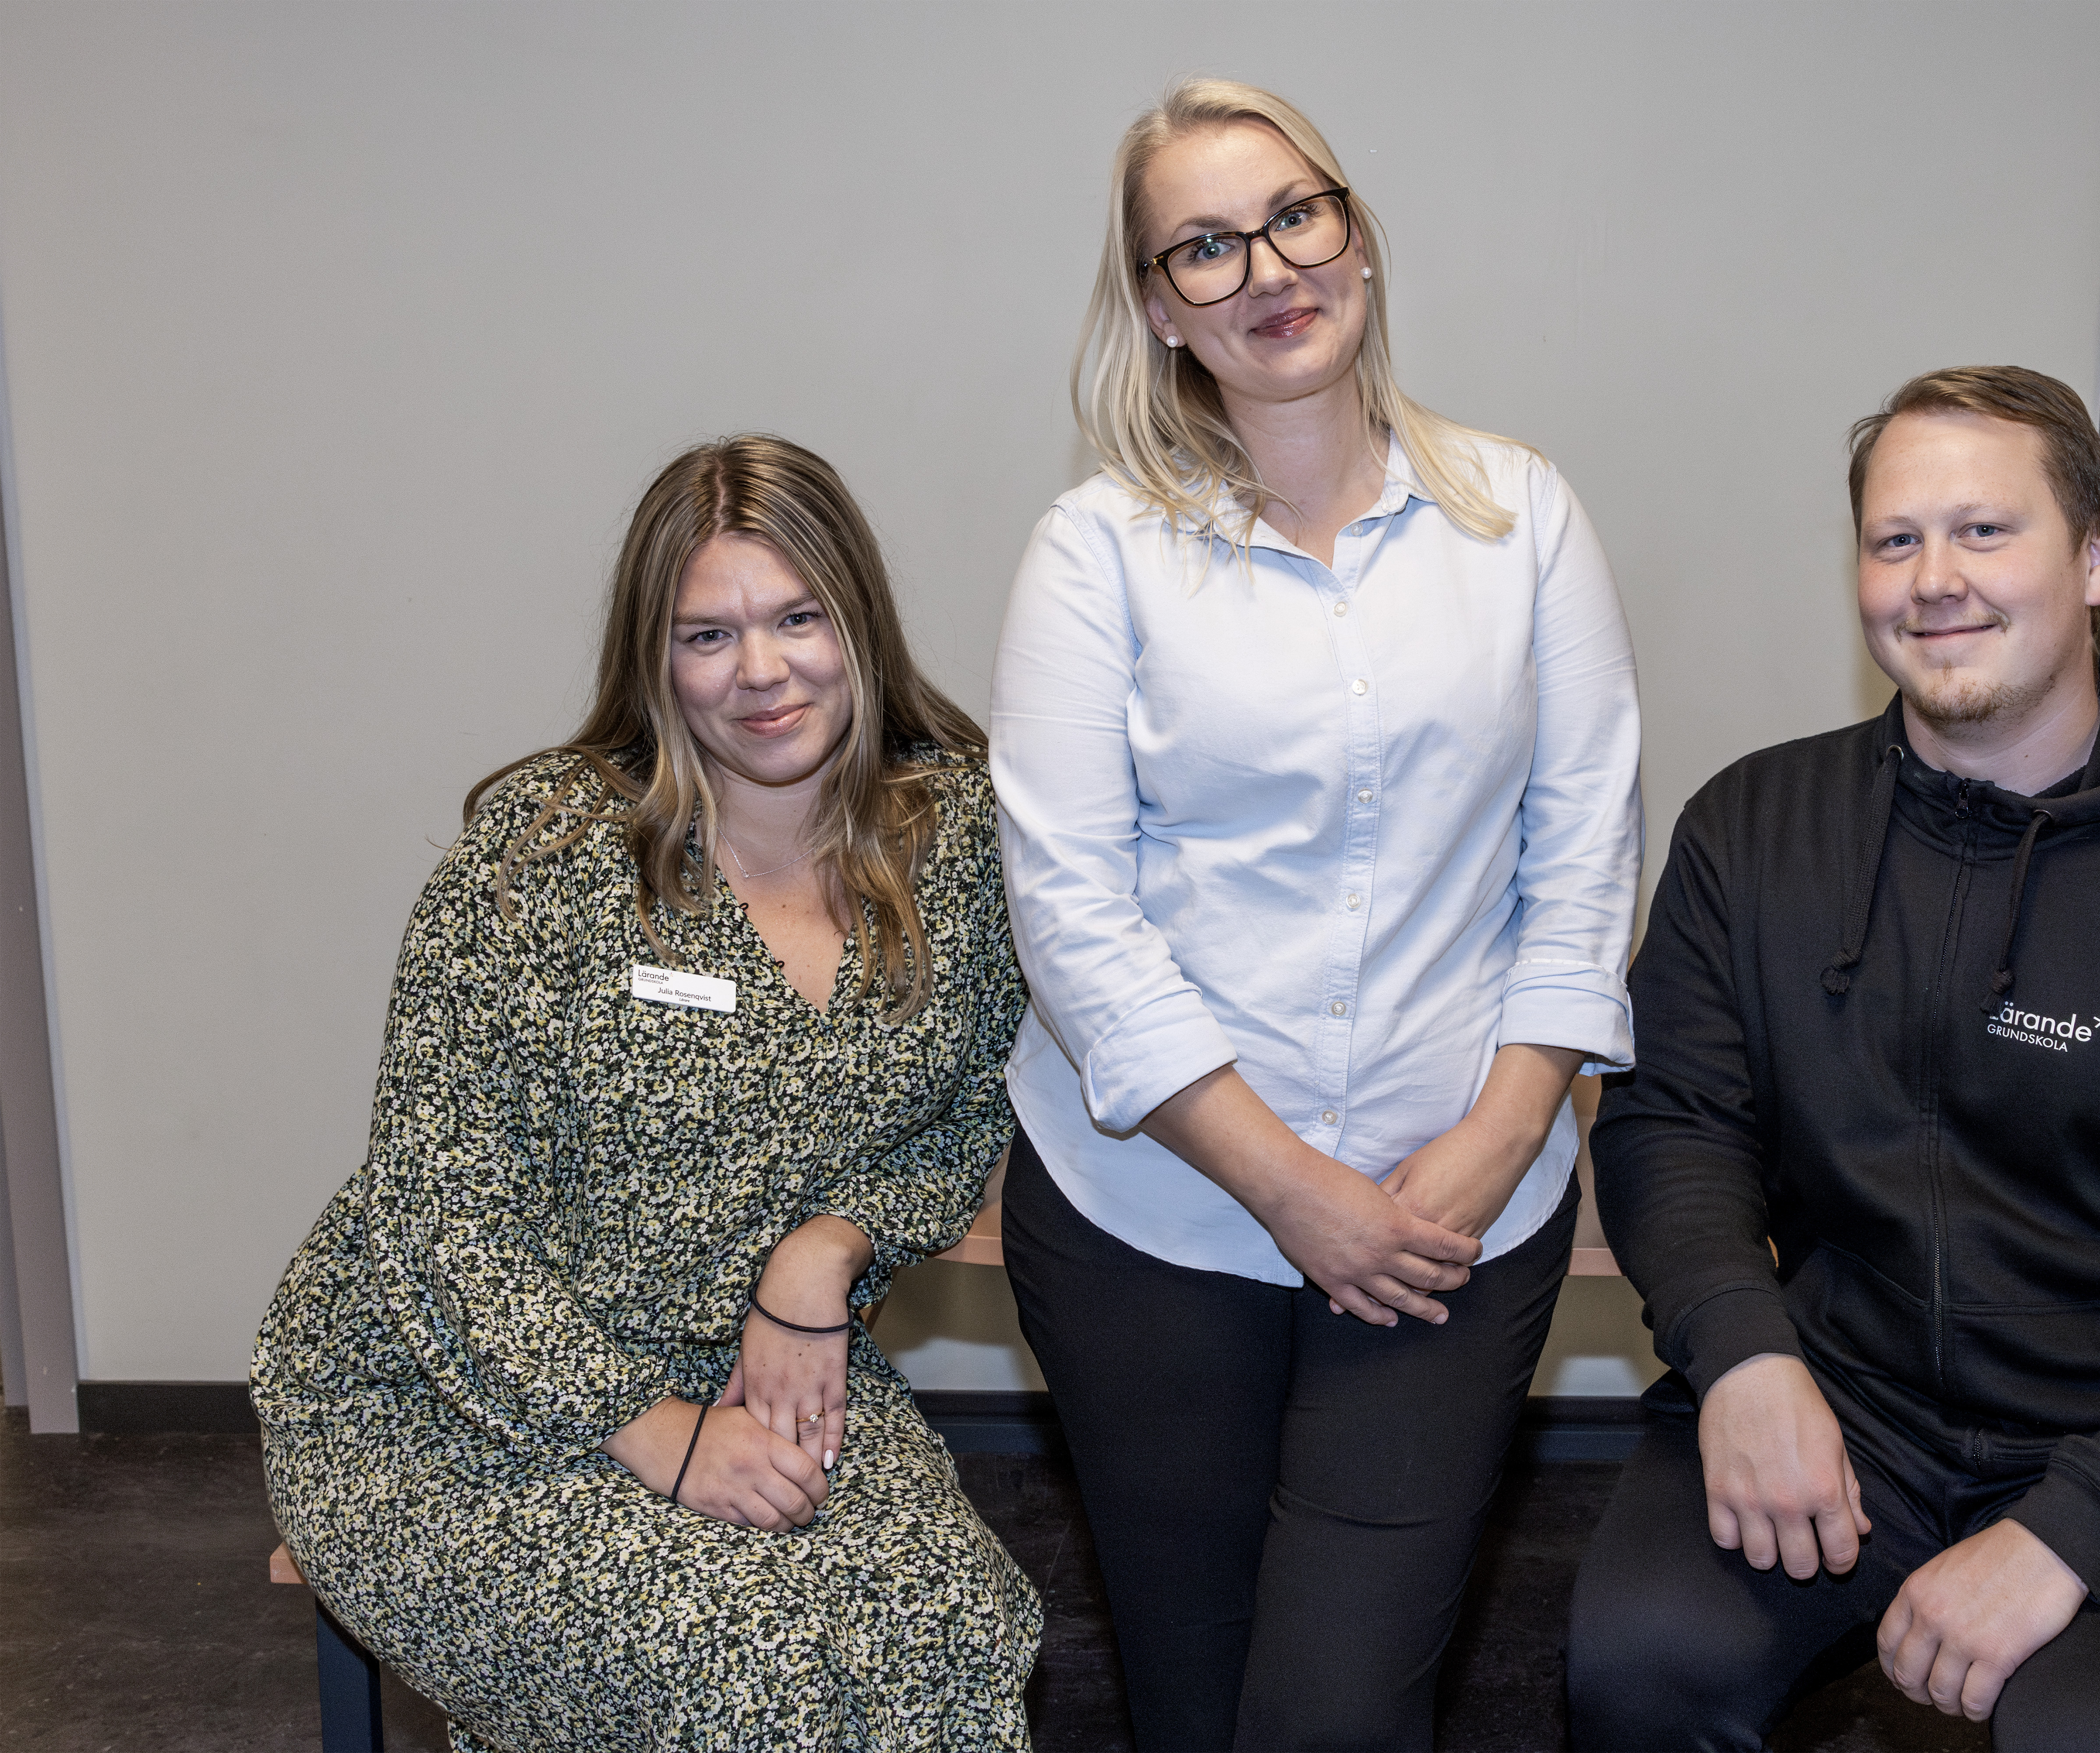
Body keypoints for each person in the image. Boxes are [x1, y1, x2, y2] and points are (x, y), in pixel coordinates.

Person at [1568, 367, 2100, 1751]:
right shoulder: (1755, 829)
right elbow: (1673, 1120)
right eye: (1896, 539)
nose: (1934, 580)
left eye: (1985, 532)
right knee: (1642, 1667)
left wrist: (2072, 1533)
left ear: (2096, 556)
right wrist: (1740, 1356)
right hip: (1843, 1401)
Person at [990, 77, 1642, 1752]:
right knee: (1198, 1697)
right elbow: (1072, 910)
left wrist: (1494, 1151)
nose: (1265, 267)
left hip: (1448, 1214)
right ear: (1156, 306)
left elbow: (1581, 854)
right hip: (1160, 1216)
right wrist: (1297, 1194)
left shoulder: (1521, 517)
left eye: (1295, 214)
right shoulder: (1097, 554)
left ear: (1354, 232)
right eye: (1202, 246)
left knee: (1338, 1710)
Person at [251, 435, 1040, 1750]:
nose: (763, 672)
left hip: (750, 1363)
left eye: (798, 617)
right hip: (446, 1397)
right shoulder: (543, 855)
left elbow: (968, 1110)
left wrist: (823, 1252)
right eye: (707, 635)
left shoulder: (954, 844)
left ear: (860, 620)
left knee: (949, 1629)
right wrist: (655, 1435)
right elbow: (442, 1216)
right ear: (654, 658)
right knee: (739, 1668)